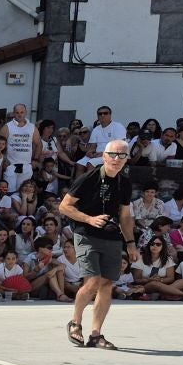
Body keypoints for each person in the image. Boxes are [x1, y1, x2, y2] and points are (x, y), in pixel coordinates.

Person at [59, 140, 138, 349]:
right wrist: (88, 219)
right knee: (92, 282)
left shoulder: (125, 182)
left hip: (111, 237)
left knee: (106, 284)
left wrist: (131, 244)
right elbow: (64, 206)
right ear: (104, 156)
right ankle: (75, 322)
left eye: (122, 156)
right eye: (113, 155)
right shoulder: (88, 178)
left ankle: (96, 334)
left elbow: (124, 215)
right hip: (86, 233)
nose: (117, 159)